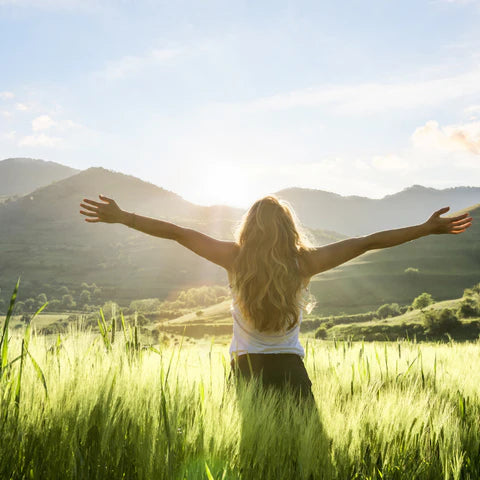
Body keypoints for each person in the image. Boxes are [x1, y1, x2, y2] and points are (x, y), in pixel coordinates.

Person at [79, 194, 472, 399]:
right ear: (289, 228)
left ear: (249, 228)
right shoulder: (305, 263)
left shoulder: (233, 258)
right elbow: (368, 241)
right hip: (292, 372)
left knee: (254, 457)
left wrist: (125, 217)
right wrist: (424, 229)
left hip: (245, 371)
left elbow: (180, 233)